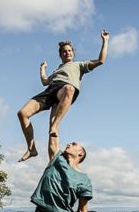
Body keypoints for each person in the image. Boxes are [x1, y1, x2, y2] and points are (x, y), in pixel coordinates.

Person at [17, 30, 109, 162]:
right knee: (22, 113)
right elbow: (44, 81)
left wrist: (105, 41)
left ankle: (53, 157)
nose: (67, 53)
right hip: (50, 90)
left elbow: (101, 60)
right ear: (61, 55)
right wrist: (42, 68)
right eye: (64, 51)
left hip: (64, 91)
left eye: (69, 51)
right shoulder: (56, 70)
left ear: (73, 53)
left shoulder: (79, 65)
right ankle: (32, 149)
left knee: (68, 90)